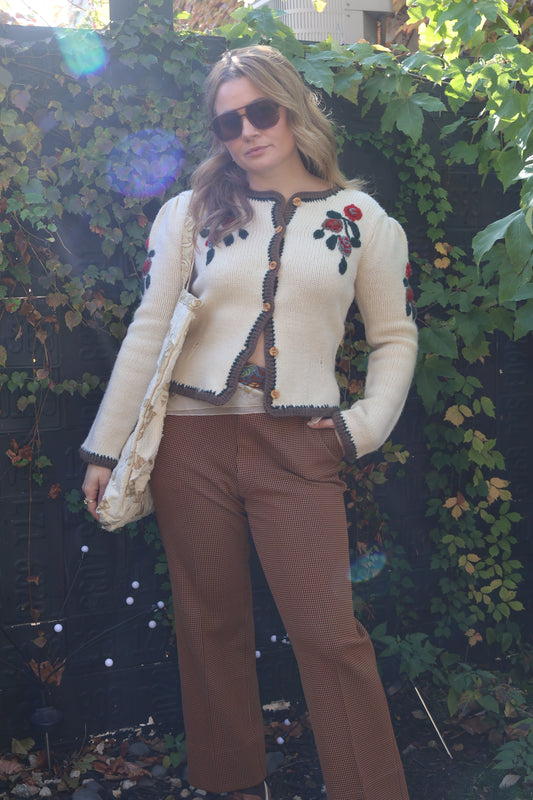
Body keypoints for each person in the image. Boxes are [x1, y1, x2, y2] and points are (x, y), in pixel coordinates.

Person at [81, 44, 417, 800]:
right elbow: (149, 328)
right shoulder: (190, 213)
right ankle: (233, 785)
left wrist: (363, 426)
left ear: (292, 109)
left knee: (327, 630)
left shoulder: (362, 221)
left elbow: (395, 337)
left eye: (260, 112)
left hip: (300, 444)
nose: (246, 132)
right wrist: (106, 447)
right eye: (227, 122)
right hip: (189, 441)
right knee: (209, 623)